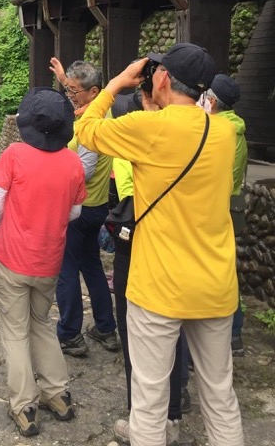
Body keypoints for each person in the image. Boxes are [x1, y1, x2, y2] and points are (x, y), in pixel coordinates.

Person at [76, 43, 244, 446]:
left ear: (163, 78)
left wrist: (116, 82)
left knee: (150, 398)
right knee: (220, 395)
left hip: (160, 284)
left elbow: (85, 128)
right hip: (216, 283)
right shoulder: (224, 131)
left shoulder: (149, 130)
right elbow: (183, 132)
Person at [0, 88, 87, 437]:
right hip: (49, 258)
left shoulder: (15, 154)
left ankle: (26, 405)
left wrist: (9, 223)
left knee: (15, 331)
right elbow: (74, 211)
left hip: (14, 256)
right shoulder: (73, 162)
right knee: (42, 323)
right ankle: (58, 394)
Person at [109, 92, 183, 445]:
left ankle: (143, 421)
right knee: (174, 330)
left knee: (135, 333)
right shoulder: (195, 136)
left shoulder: (132, 145)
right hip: (178, 242)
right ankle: (172, 415)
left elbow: (127, 194)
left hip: (138, 240)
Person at [49, 57, 118, 356]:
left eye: (76, 90)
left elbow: (85, 168)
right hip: (96, 205)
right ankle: (105, 327)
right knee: (91, 265)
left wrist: (52, 165)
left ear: (94, 92)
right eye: (70, 88)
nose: (71, 94)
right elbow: (79, 89)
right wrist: (65, 79)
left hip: (80, 208)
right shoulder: (99, 110)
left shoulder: (94, 124)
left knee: (66, 269)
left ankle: (70, 334)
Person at [204, 73, 248, 356]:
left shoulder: (218, 131)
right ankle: (234, 334)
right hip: (231, 205)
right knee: (225, 269)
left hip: (215, 207)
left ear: (212, 101)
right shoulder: (236, 128)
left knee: (216, 272)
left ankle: (228, 333)